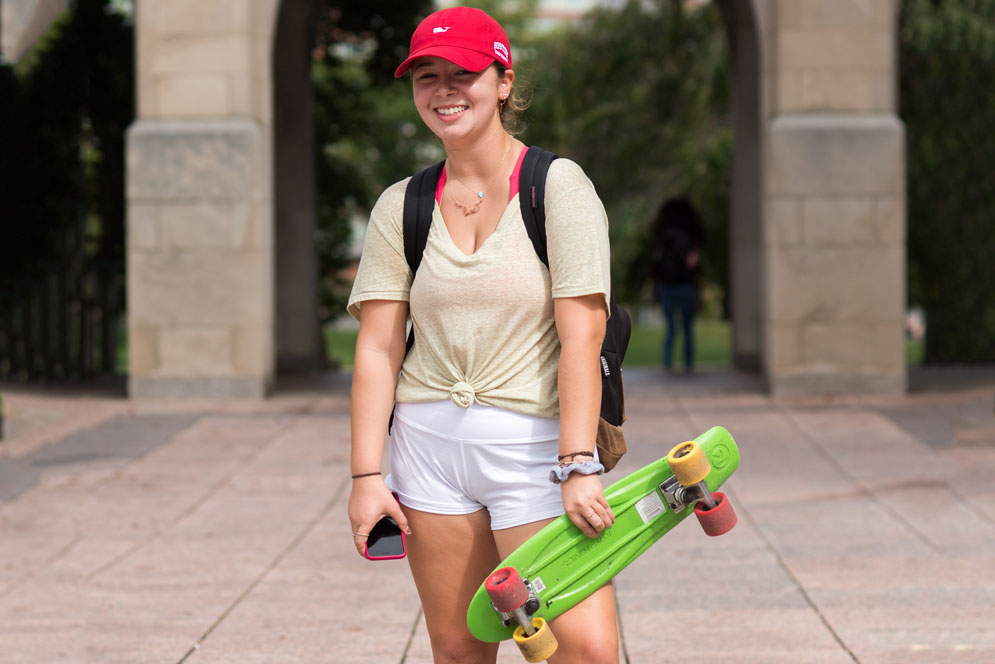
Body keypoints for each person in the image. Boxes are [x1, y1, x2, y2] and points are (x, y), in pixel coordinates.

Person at [346, 7, 620, 663]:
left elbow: (582, 334)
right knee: (459, 650)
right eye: (426, 77)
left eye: (463, 74)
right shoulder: (402, 205)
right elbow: (378, 348)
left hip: (532, 448)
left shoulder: (554, 187)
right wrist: (364, 475)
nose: (443, 91)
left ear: (502, 81)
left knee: (580, 650)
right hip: (429, 452)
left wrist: (578, 464)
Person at [650, 197, 705, 373]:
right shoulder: (689, 237)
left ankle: (668, 364)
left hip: (667, 286)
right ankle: (688, 365)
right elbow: (693, 264)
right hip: (685, 286)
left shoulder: (662, 237)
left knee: (671, 329)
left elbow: (655, 265)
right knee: (687, 328)